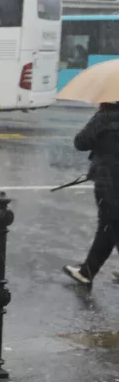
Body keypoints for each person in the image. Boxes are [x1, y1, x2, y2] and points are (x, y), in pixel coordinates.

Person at [63, 102, 119, 286]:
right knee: (111, 225)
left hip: (109, 179)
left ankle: (87, 272)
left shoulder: (106, 115)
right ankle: (87, 271)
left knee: (109, 226)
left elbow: (81, 142)